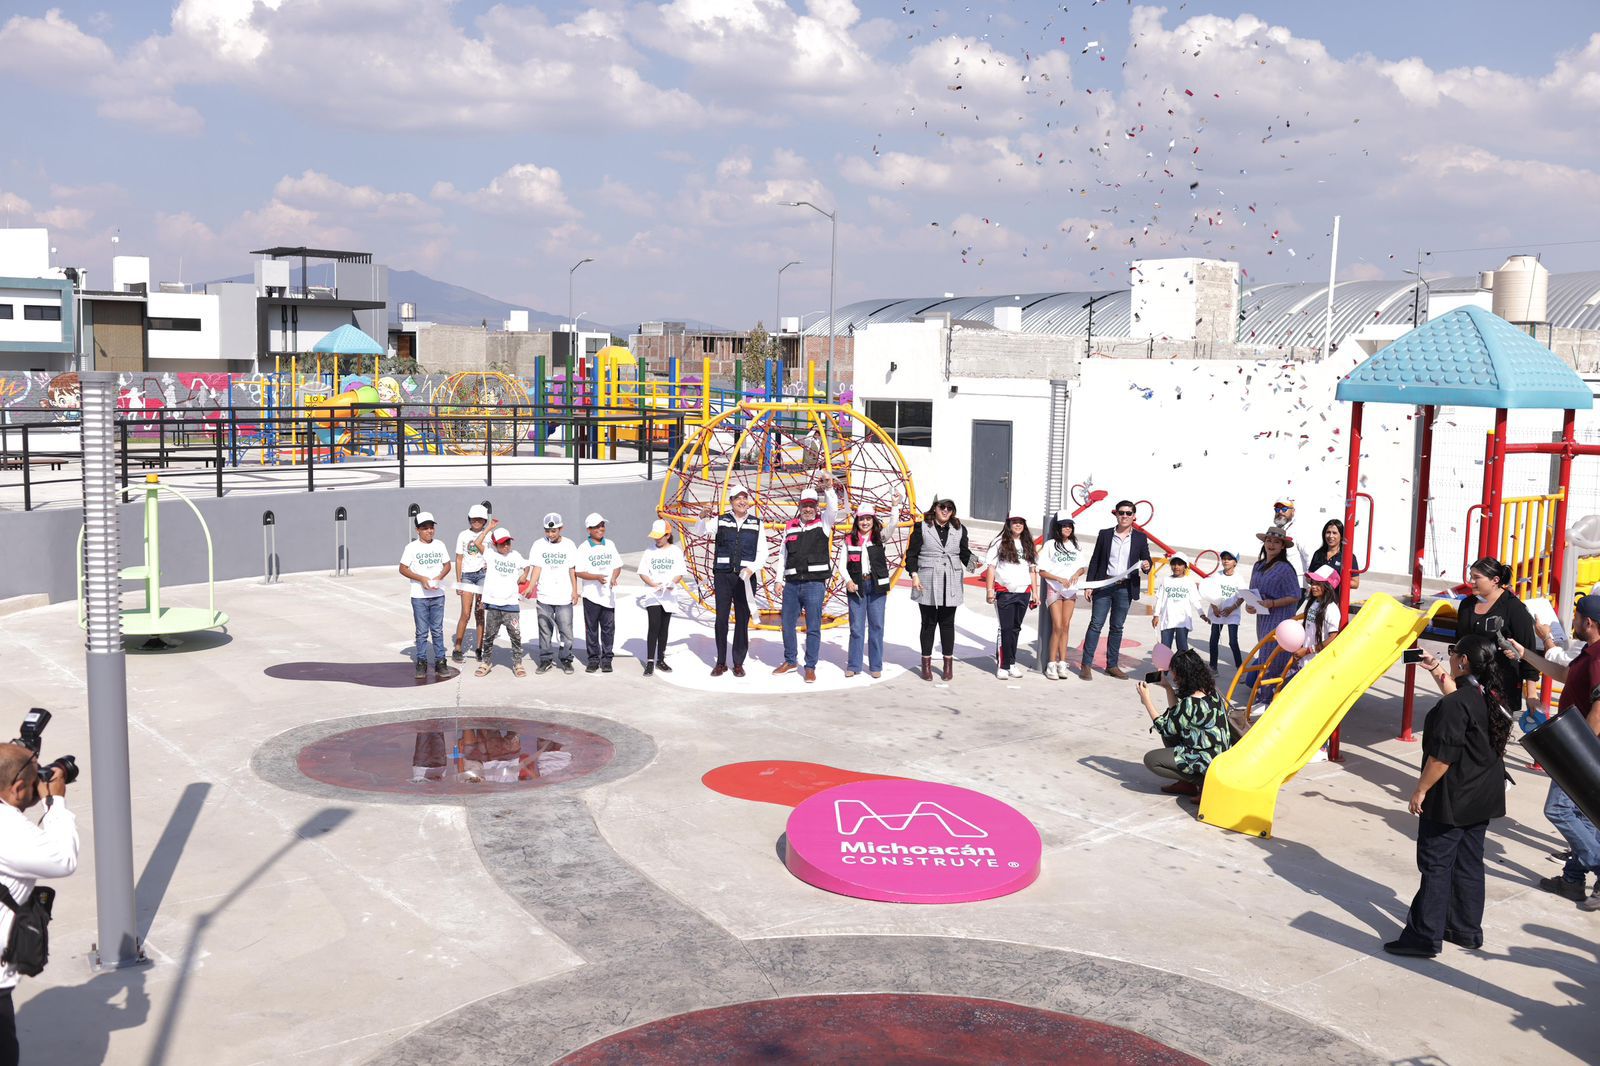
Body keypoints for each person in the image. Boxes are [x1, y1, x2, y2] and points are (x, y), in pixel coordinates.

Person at [1384, 634, 1513, 957]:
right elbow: (1462, 701)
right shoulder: (1493, 695)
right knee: (1469, 863)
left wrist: (1420, 789)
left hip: (1453, 799)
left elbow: (1441, 758)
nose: (1451, 656)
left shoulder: (1455, 705)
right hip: (1482, 797)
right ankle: (1465, 929)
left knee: (1436, 865)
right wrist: (1435, 669)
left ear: (1464, 661)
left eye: (1453, 652)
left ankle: (1424, 936)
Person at [1500, 593, 1600, 910]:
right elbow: (1564, 675)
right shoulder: (1590, 651)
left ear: (1588, 622)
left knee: (1558, 810)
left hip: (1580, 750)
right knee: (1584, 815)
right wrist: (1525, 653)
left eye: (1576, 616)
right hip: (1580, 747)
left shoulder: (1599, 657)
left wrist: (1578, 752)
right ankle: (1572, 880)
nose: (1571, 621)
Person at [0, 743, 78, 1065]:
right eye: (35, 780)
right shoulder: (9, 832)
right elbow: (63, 860)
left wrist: (21, 761)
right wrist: (55, 801)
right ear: (18, 787)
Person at [1136, 649, 1233, 800]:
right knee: (1171, 735)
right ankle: (1186, 784)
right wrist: (1168, 688)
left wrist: (1146, 700)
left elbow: (1165, 728)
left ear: (1183, 675)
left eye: (1175, 673)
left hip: (1205, 759)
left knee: (1152, 760)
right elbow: (1177, 717)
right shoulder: (1212, 692)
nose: (1173, 677)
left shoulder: (1191, 702)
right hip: (1218, 754)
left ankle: (1204, 782)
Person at [694, 483, 769, 678]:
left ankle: (738, 662)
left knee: (742, 620)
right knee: (721, 619)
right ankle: (721, 662)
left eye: (744, 497)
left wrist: (752, 568)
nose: (742, 501)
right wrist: (701, 517)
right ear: (731, 501)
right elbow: (700, 531)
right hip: (723, 576)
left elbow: (763, 552)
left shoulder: (757, 523)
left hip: (746, 577)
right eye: (738, 498)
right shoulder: (720, 521)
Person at [775, 477, 841, 683]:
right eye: (805, 505)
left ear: (817, 507)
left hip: (814, 584)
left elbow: (833, 508)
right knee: (787, 624)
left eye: (812, 505)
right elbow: (783, 554)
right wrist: (778, 580)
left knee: (813, 627)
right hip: (792, 584)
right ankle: (790, 661)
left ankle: (810, 666)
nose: (808, 509)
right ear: (799, 506)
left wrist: (829, 488)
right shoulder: (790, 526)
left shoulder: (824, 522)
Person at [905, 496, 978, 681]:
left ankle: (947, 665)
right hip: (927, 579)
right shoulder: (922, 527)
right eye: (942, 507)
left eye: (949, 508)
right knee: (928, 623)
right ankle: (926, 665)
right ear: (935, 509)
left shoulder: (959, 529)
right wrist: (914, 575)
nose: (946, 511)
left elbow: (964, 553)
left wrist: (975, 564)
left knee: (947, 623)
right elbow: (911, 555)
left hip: (951, 579)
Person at [1079, 499, 1153, 681]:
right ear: (1116, 514)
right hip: (1104, 585)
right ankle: (1086, 665)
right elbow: (1095, 560)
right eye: (1121, 513)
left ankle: (1111, 665)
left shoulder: (1140, 538)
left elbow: (1147, 560)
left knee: (1117, 627)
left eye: (1128, 513)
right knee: (1096, 624)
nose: (1125, 516)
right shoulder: (1105, 535)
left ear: (1134, 516)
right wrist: (1089, 584)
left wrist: (1146, 565)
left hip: (1125, 588)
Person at [1454, 556, 1537, 707]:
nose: (1471, 581)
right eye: (1471, 576)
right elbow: (1459, 643)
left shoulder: (1514, 608)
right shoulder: (1466, 605)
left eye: (1477, 577)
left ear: (1495, 580)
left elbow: (1528, 649)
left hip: (1502, 685)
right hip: (1469, 682)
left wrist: (1531, 694)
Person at [1243, 525, 1301, 712]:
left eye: (1276, 542)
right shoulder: (1258, 566)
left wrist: (1273, 603)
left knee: (1274, 659)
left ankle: (1267, 699)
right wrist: (1251, 605)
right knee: (1266, 656)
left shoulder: (1286, 569)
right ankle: (1268, 696)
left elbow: (1295, 595)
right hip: (1263, 619)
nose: (1271, 544)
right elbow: (1254, 591)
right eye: (1269, 540)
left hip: (1280, 619)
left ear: (1283, 546)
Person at [398, 511, 456, 679]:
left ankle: (440, 661)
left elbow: (447, 565)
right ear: (417, 530)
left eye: (431, 527)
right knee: (422, 632)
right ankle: (421, 661)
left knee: (437, 630)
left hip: (438, 595)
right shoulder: (411, 548)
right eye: (425, 528)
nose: (429, 531)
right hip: (419, 596)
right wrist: (421, 578)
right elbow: (402, 568)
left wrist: (439, 577)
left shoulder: (440, 545)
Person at [838, 503, 891, 678]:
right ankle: (854, 665)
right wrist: (848, 581)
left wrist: (895, 506)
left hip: (877, 587)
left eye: (868, 519)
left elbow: (893, 524)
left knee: (877, 626)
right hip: (857, 587)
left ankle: (876, 665)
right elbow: (841, 565)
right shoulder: (849, 540)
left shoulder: (879, 537)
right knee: (856, 628)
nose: (865, 522)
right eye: (862, 519)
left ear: (873, 520)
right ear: (857, 521)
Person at [985, 514, 1040, 680]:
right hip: (1005, 591)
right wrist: (989, 590)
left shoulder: (1028, 543)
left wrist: (1035, 592)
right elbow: (991, 567)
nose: (1018, 525)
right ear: (1008, 524)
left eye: (1021, 522)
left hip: (1024, 592)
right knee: (1005, 629)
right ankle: (1003, 666)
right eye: (1015, 522)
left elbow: (1032, 569)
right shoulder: (998, 542)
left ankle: (1012, 663)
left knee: (1016, 628)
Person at [472, 522, 530, 677]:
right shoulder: (490, 554)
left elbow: (527, 565)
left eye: (508, 542)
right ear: (495, 544)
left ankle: (518, 663)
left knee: (515, 635)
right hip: (494, 604)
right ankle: (486, 662)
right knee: (489, 635)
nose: (506, 546)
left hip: (511, 604)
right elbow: (477, 543)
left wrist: (524, 575)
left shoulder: (515, 556)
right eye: (502, 543)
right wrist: (488, 529)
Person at [528, 512, 580, 675]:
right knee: (545, 631)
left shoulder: (569, 545)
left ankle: (566, 659)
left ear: (561, 529)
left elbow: (572, 569)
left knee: (566, 631)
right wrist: (531, 586)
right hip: (544, 596)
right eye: (547, 531)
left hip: (564, 596)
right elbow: (537, 568)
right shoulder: (538, 545)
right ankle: (545, 660)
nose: (550, 534)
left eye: (553, 531)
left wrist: (575, 591)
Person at [1037, 513, 1087, 680]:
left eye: (1070, 526)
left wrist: (1076, 574)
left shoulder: (1075, 545)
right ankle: (1051, 663)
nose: (1067, 528)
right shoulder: (1050, 545)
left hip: (1071, 591)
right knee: (1057, 626)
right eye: (1064, 525)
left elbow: (1082, 567)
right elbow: (1042, 571)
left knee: (1065, 626)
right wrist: (1058, 579)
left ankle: (1062, 663)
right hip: (1055, 589)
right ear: (1058, 528)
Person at [638, 519, 687, 676]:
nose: (657, 539)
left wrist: (672, 583)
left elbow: (680, 573)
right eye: (655, 536)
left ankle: (660, 659)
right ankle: (650, 661)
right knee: (654, 626)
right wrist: (652, 584)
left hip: (668, 595)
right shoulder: (649, 551)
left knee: (664, 628)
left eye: (659, 536)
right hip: (653, 594)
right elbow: (642, 572)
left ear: (667, 535)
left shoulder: (675, 551)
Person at [575, 513, 622, 674]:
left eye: (602, 525)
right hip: (591, 596)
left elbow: (617, 566)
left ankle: (607, 659)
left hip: (608, 596)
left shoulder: (610, 544)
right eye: (596, 526)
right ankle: (593, 660)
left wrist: (614, 577)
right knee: (592, 629)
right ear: (589, 529)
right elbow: (579, 572)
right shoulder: (583, 548)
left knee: (608, 629)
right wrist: (596, 577)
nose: (601, 529)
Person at [451, 504, 490, 662]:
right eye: (473, 519)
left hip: (482, 575)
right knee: (465, 613)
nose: (476, 521)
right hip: (467, 576)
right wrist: (458, 580)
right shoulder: (463, 535)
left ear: (484, 520)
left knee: (480, 612)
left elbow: (493, 555)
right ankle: (458, 646)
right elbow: (459, 558)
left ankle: (479, 648)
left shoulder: (488, 535)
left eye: (479, 519)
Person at [1201, 550, 1245, 672]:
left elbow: (1242, 596)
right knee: (1213, 640)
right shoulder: (1217, 576)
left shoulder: (1239, 578)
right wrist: (1214, 607)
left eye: (1229, 559)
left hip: (1233, 614)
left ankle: (1240, 669)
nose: (1225, 561)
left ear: (1235, 562)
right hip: (1218, 614)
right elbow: (1209, 592)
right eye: (1224, 558)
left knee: (1233, 642)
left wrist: (1232, 608)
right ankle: (1213, 667)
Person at [1150, 555, 1198, 654]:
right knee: (1165, 648)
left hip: (1182, 621)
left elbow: (1195, 600)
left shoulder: (1189, 582)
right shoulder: (1165, 580)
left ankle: (1183, 664)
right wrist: (1156, 615)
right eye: (1174, 564)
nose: (1176, 567)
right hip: (1167, 619)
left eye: (1180, 564)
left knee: (1182, 648)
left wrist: (1202, 614)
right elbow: (1159, 599)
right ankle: (1165, 664)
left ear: (1185, 566)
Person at [1306, 518, 1361, 593]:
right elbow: (1309, 578)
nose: (1330, 536)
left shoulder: (1348, 557)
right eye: (1328, 532)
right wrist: (1315, 580)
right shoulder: (1318, 553)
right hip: (1318, 598)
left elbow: (1355, 583)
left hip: (1336, 598)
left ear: (1341, 536)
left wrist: (1333, 580)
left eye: (1334, 533)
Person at [1272, 497, 1312, 580]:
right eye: (1277, 509)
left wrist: (1311, 580)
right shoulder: (1276, 530)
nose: (1280, 512)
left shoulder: (1299, 530)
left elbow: (1309, 557)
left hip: (1296, 580)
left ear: (1293, 511)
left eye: (1284, 509)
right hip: (1279, 579)